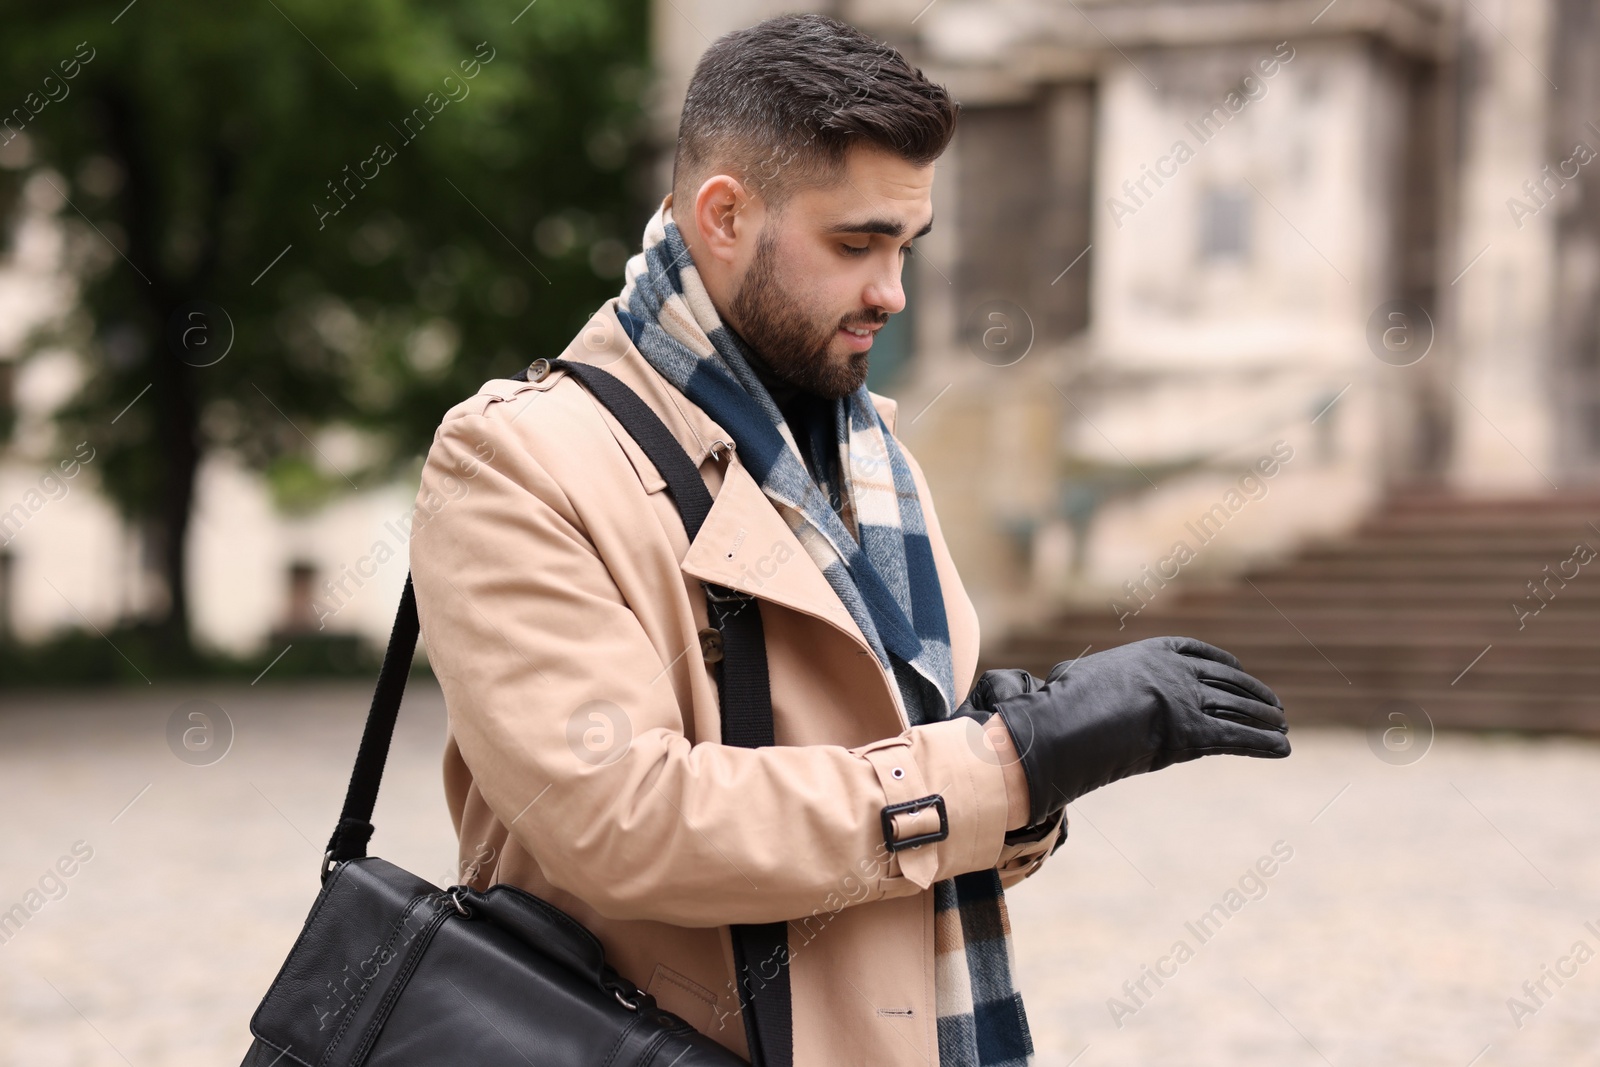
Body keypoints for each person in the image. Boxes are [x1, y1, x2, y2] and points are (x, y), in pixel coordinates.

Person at [407, 13, 1290, 1067]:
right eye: (855, 243)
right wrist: (1010, 762)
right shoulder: (519, 459)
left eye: (906, 246)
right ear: (723, 215)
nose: (892, 292)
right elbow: (623, 821)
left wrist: (1035, 762)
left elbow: (911, 818)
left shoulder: (869, 455)